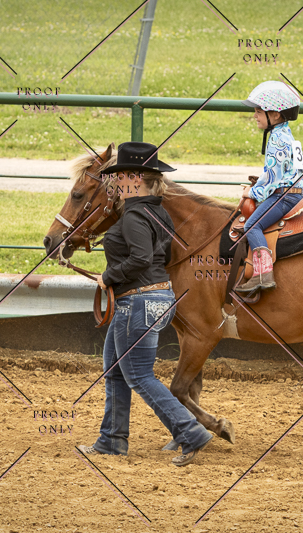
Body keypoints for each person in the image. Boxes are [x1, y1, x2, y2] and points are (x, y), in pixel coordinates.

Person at [78, 142, 214, 467]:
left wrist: (108, 276)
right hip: (157, 298)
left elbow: (140, 258)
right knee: (115, 371)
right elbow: (158, 257)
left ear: (136, 178)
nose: (114, 181)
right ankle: (111, 440)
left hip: (137, 304)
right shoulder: (159, 212)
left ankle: (191, 433)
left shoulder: (134, 215)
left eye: (120, 175)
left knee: (139, 375)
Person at [236, 80, 303, 294]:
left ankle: (263, 274)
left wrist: (252, 191)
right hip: (293, 191)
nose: (255, 115)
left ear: (275, 115)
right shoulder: (286, 134)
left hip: (283, 196)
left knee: (251, 226)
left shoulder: (276, 140)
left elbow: (272, 179)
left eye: (259, 111)